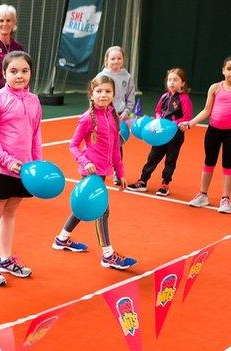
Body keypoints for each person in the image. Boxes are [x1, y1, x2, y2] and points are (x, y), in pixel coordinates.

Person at [52, 75, 137, 270]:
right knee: (102, 211)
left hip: (103, 172)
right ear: (92, 94)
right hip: (90, 172)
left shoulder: (112, 116)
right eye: (99, 91)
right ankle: (108, 255)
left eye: (107, 91)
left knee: (83, 207)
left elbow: (116, 148)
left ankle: (62, 238)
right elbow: (73, 145)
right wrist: (85, 161)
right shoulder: (86, 118)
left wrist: (121, 172)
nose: (103, 95)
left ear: (114, 94)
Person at [0, 51, 40, 286]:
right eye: (13, 71)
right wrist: (6, 160)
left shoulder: (33, 100)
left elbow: (35, 135)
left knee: (11, 213)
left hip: (23, 169)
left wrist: (36, 165)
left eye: (24, 71)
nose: (19, 75)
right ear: (4, 74)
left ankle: (5, 259)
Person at [126, 68, 192, 197]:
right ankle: (143, 181)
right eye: (169, 80)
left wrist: (173, 124)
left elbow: (187, 117)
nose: (172, 82)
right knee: (153, 157)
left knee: (170, 160)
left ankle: (165, 185)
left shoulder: (184, 99)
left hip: (175, 135)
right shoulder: (164, 97)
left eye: (175, 80)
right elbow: (157, 111)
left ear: (183, 83)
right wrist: (158, 120)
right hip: (159, 134)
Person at [179, 56, 231, 214]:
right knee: (209, 162)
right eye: (229, 69)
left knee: (228, 165)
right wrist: (190, 123)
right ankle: (203, 195)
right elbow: (206, 110)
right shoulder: (215, 88)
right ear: (223, 70)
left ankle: (225, 199)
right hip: (213, 131)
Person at [97, 46, 135, 185]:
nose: (116, 61)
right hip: (103, 115)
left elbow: (130, 100)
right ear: (106, 60)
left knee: (117, 146)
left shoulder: (127, 77)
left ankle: (118, 174)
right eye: (112, 58)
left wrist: (125, 114)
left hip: (120, 117)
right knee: (101, 144)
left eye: (119, 58)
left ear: (123, 60)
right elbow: (94, 97)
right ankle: (98, 171)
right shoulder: (101, 77)